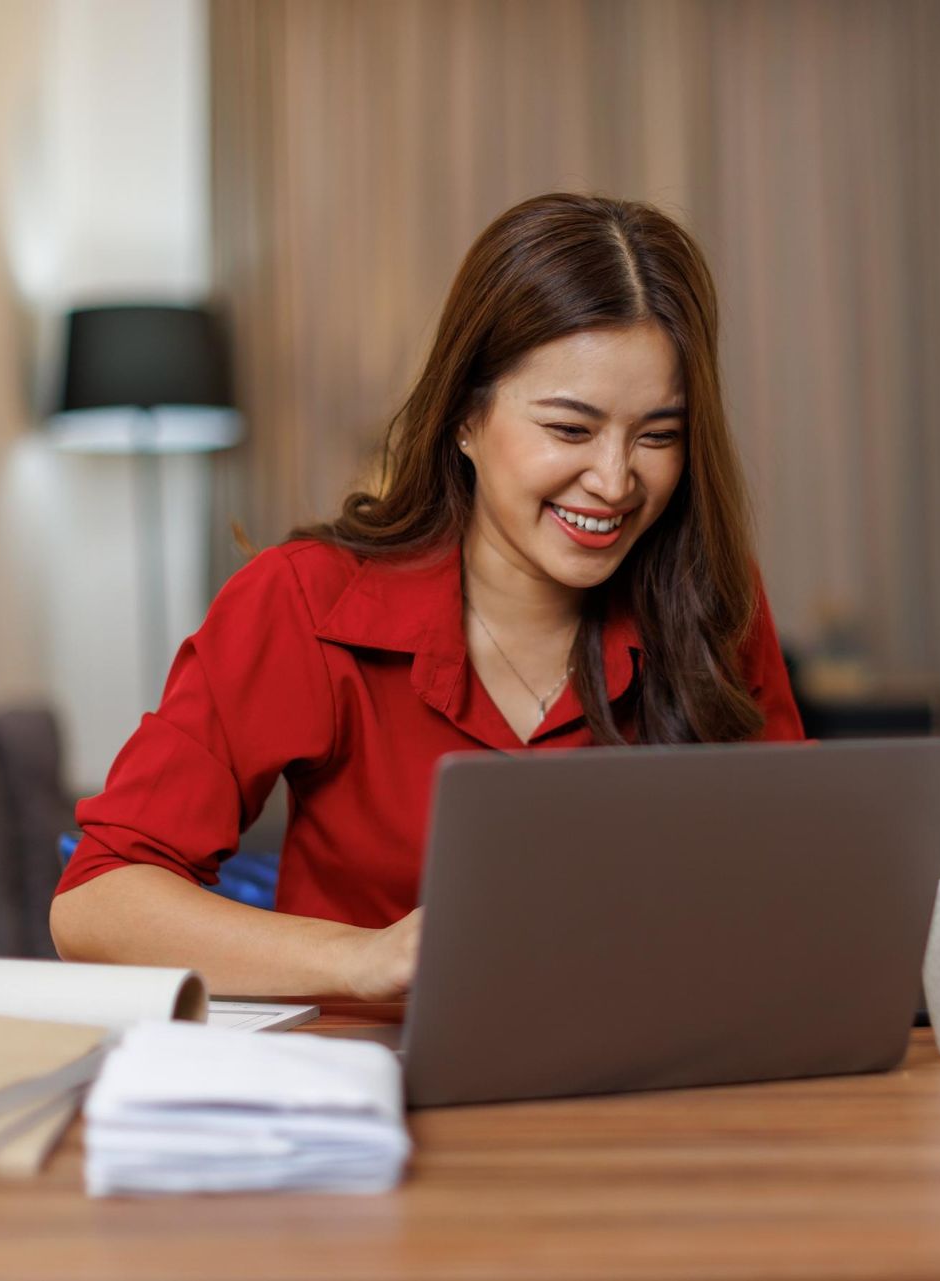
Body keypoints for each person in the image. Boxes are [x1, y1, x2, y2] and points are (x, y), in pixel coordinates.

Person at [49, 192, 805, 1001]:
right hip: (367, 1092)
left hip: (645, 1091)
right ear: (465, 419)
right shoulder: (304, 601)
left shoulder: (708, 599)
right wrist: (363, 959)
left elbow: (803, 881)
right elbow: (98, 902)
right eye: (571, 430)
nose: (617, 480)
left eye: (658, 436)